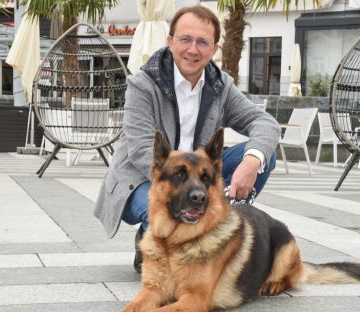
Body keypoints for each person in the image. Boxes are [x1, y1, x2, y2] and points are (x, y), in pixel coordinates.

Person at [94, 5, 281, 273]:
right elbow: (141, 151)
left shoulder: (221, 86)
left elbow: (265, 123)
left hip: (196, 178)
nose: (193, 49)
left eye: (202, 42)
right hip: (139, 179)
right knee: (164, 215)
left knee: (263, 156)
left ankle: (211, 237)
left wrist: (251, 162)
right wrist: (188, 188)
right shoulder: (143, 85)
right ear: (170, 42)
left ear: (214, 49)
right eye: (185, 39)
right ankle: (150, 238)